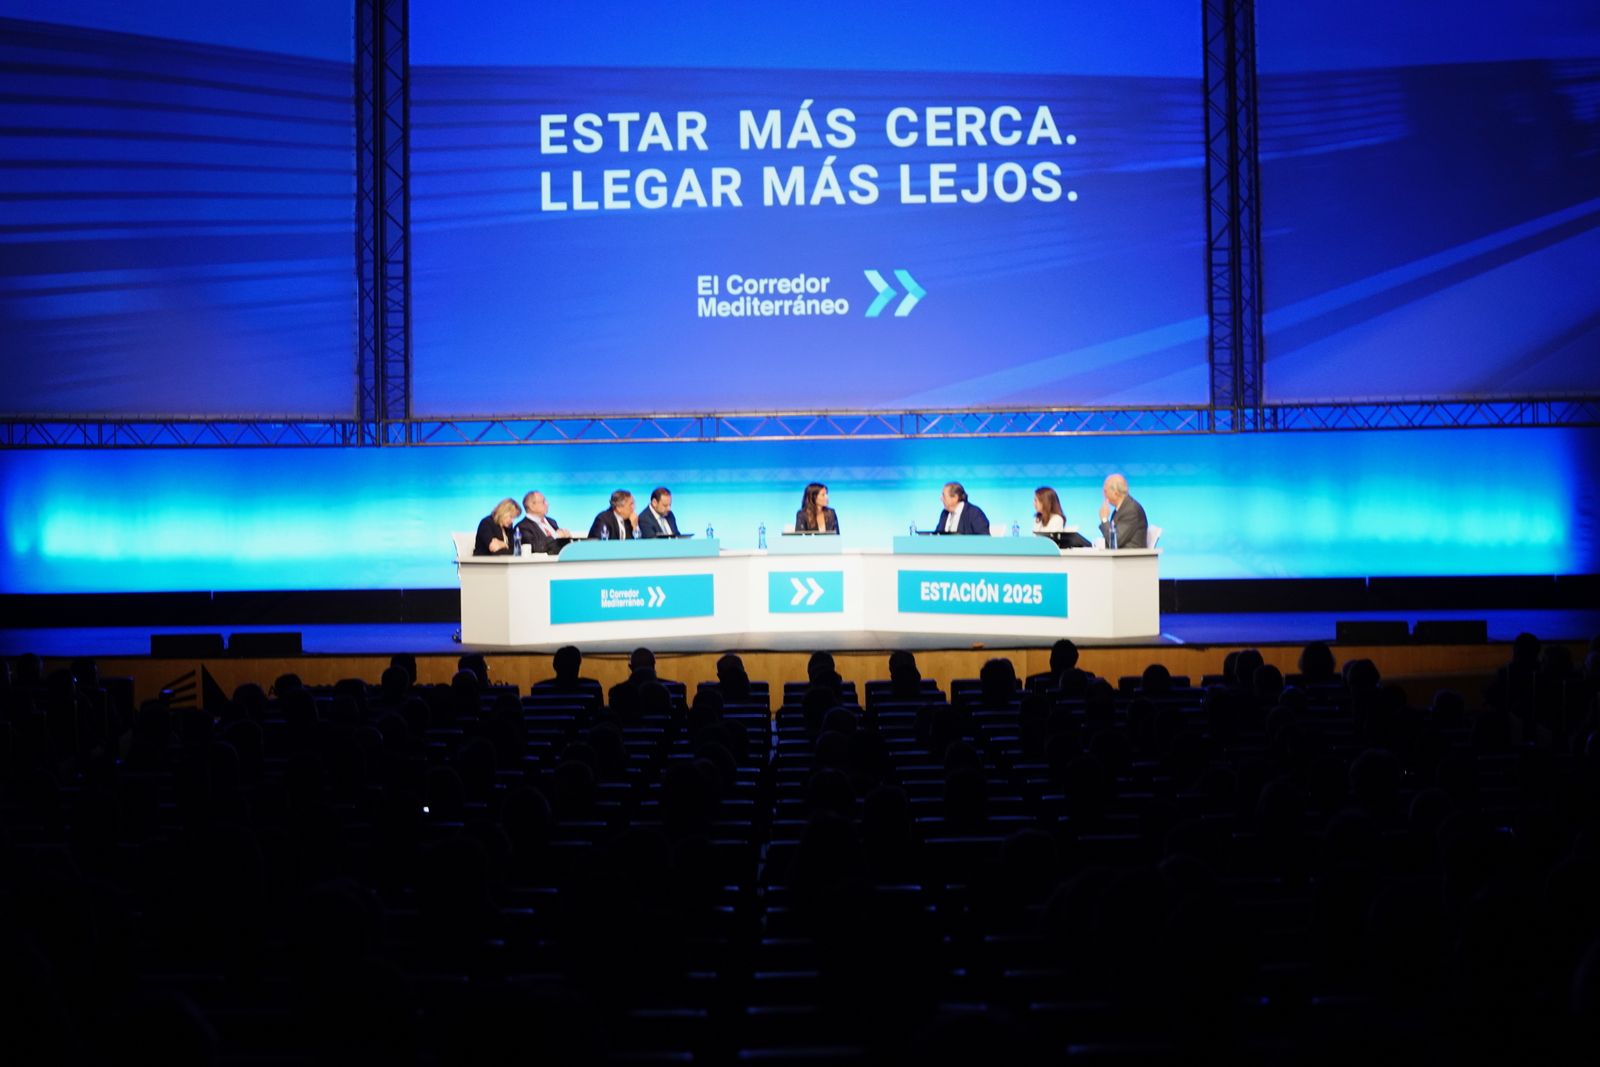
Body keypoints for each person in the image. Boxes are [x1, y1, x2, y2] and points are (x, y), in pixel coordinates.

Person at [1097, 473, 1148, 549]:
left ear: (1115, 493)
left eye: (1105, 491)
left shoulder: (1131, 510)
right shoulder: (1120, 509)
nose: (1104, 495)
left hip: (1128, 558)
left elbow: (1115, 541)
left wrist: (1104, 520)